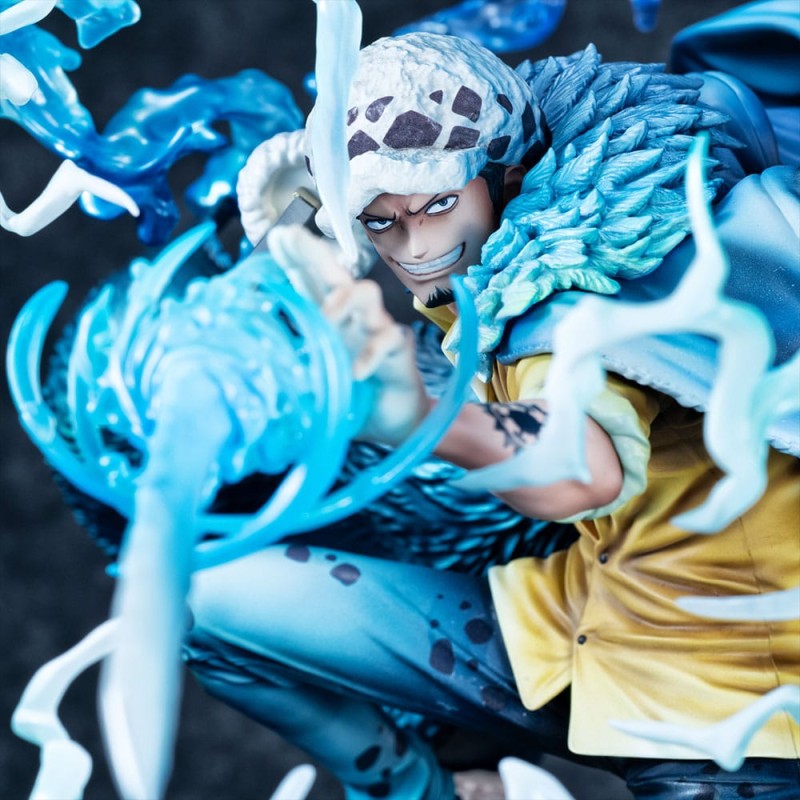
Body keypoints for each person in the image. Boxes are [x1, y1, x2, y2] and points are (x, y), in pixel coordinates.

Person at [185, 6, 799, 799]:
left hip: (726, 693)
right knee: (201, 604)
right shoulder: (490, 282)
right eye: (382, 221)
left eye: (437, 205)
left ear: (505, 176)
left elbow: (580, 464)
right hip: (580, 618)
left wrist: (415, 414)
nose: (414, 247)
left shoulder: (575, 289)